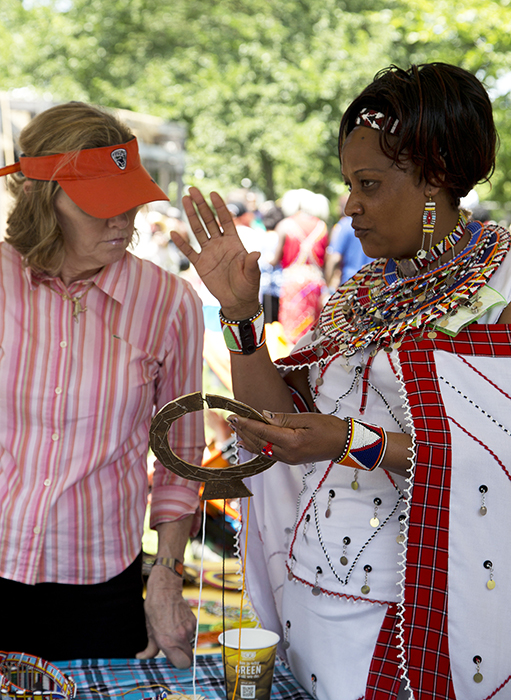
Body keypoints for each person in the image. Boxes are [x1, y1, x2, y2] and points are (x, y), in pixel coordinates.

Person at [171, 63, 511, 699]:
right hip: (309, 597)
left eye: (370, 183)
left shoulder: (500, 292)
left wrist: (351, 441)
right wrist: (242, 319)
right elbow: (279, 425)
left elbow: (493, 457)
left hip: (418, 616)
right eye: (349, 182)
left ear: (437, 175)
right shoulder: (360, 293)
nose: (350, 204)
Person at [0, 102, 204, 665]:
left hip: (96, 587)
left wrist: (166, 575)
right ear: (45, 201)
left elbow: (180, 455)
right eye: (101, 207)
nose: (124, 222)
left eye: (130, 202)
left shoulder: (169, 305)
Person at [271, 189, 330, 344]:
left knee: (292, 330)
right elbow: (327, 257)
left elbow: (275, 258)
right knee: (313, 328)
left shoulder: (285, 225)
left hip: (292, 281)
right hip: (315, 281)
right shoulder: (321, 226)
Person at [324, 193, 371, 290]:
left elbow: (334, 258)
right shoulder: (371, 224)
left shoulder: (344, 225)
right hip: (373, 281)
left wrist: (327, 286)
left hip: (350, 283)